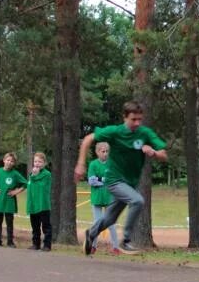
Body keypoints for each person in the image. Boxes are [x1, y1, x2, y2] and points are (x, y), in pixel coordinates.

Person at [74, 101, 168, 255]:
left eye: (139, 119)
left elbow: (164, 155)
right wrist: (80, 164)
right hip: (114, 180)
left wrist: (154, 153)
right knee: (137, 201)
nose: (137, 123)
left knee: (110, 219)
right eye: (133, 119)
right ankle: (126, 240)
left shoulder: (145, 133)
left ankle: (91, 233)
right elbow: (87, 140)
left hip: (130, 183)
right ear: (125, 118)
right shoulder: (114, 132)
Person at [0, 152, 25, 247]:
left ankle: (10, 241)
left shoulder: (15, 174)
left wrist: (16, 192)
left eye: (12, 161)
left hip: (9, 202)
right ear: (4, 160)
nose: (9, 162)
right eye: (8, 160)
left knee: (9, 222)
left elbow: (25, 184)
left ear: (14, 163)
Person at [87, 142, 121, 254]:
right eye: (103, 151)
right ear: (97, 152)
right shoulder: (93, 164)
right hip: (96, 199)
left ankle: (116, 247)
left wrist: (100, 179)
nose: (105, 154)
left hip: (109, 199)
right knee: (97, 223)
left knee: (111, 224)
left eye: (107, 151)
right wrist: (103, 180)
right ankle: (93, 246)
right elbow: (91, 181)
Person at [26, 152, 53, 251]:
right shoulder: (31, 175)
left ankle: (47, 245)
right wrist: (33, 175)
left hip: (43, 205)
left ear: (44, 163)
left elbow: (41, 186)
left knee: (46, 226)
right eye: (35, 161)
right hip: (33, 205)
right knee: (35, 226)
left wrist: (35, 176)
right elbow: (30, 188)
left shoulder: (47, 174)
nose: (37, 164)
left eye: (40, 162)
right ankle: (35, 244)